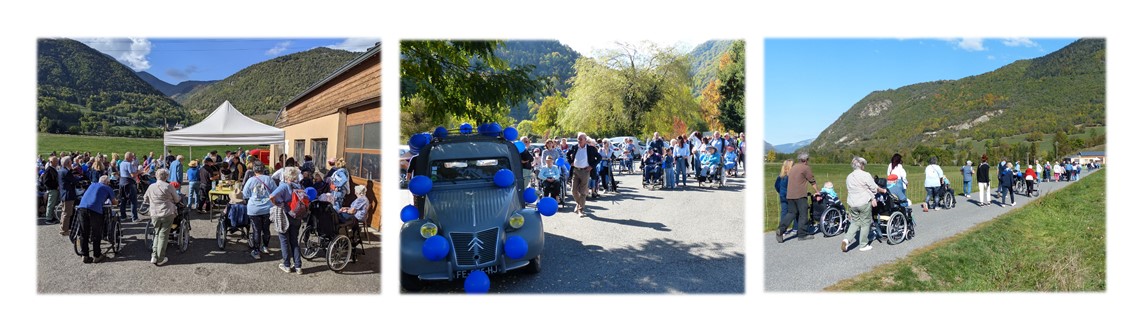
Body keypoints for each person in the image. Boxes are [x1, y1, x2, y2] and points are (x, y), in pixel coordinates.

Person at [842, 156, 887, 252]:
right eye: (864, 165)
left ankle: (846, 240)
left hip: (852, 203)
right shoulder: (865, 175)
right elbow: (874, 187)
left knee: (855, 222)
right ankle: (863, 245)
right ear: (861, 165)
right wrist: (883, 190)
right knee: (865, 223)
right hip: (863, 202)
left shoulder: (849, 177)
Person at [269, 167, 304, 274]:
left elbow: (271, 196)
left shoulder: (284, 186)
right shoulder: (300, 186)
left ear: (286, 176)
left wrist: (278, 204)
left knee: (284, 240)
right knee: (294, 241)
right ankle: (298, 266)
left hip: (285, 215)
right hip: (297, 215)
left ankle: (287, 265)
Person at [142, 169, 180, 265]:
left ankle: (154, 256)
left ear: (156, 176)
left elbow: (145, 199)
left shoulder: (151, 186)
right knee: (163, 235)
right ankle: (160, 258)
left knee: (156, 233)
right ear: (166, 177)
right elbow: (177, 199)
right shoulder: (168, 186)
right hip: (167, 213)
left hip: (154, 212)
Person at [778, 152, 818, 242]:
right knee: (803, 214)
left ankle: (781, 229)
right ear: (806, 160)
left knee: (791, 213)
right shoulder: (806, 168)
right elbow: (812, 181)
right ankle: (802, 235)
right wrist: (818, 192)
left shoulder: (793, 167)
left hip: (790, 195)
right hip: (800, 195)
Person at [76, 175, 117, 263]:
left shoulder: (92, 185)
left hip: (82, 208)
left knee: (84, 233)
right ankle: (97, 255)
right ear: (107, 182)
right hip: (95, 210)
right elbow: (114, 202)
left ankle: (85, 254)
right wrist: (118, 202)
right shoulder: (107, 188)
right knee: (96, 233)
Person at [242, 164, 277, 260]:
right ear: (263, 169)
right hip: (267, 208)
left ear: (254, 170)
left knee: (256, 230)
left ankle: (256, 251)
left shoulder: (251, 180)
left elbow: (245, 194)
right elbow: (275, 192)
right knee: (266, 229)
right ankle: (265, 246)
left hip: (254, 208)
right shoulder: (269, 179)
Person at [566, 132, 601, 216]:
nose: (579, 140)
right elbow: (567, 154)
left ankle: (581, 210)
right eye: (578, 138)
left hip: (585, 171)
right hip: (575, 171)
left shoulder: (591, 149)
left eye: (581, 139)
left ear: (585, 140)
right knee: (573, 191)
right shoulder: (574, 147)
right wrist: (571, 162)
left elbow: (599, 157)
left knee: (583, 191)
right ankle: (578, 204)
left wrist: (591, 166)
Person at [59, 156, 82, 235]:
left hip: (64, 194)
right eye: (70, 162)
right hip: (68, 195)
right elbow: (74, 181)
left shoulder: (61, 170)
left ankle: (63, 227)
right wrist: (78, 178)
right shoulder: (66, 172)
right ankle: (64, 230)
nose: (71, 163)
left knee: (64, 212)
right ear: (68, 163)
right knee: (67, 213)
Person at [774, 159, 792, 233]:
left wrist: (780, 192)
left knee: (784, 212)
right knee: (794, 212)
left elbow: (776, 186)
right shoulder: (790, 177)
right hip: (790, 196)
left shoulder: (780, 176)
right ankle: (795, 228)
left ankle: (782, 229)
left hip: (782, 196)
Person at [43, 156, 61, 225]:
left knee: (53, 204)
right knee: (50, 204)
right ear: (51, 162)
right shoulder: (49, 170)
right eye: (55, 161)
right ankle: (48, 218)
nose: (57, 162)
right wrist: (55, 186)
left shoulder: (53, 169)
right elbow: (46, 181)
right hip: (52, 190)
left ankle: (51, 216)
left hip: (54, 189)